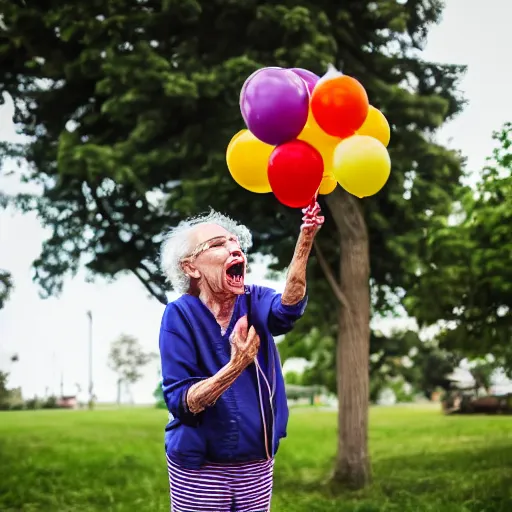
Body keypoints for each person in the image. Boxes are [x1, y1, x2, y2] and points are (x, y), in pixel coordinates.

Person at [158, 202, 323, 512]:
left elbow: (287, 308)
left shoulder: (255, 299)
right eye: (219, 244)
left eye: (236, 242)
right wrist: (236, 365)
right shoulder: (178, 316)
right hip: (199, 467)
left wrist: (305, 240)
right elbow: (182, 401)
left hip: (256, 463)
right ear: (190, 267)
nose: (235, 249)